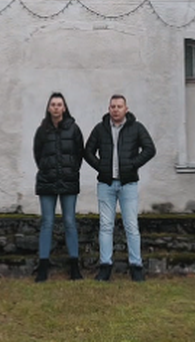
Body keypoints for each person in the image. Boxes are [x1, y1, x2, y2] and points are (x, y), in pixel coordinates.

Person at [83, 94, 156, 282]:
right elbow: (87, 151)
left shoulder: (136, 128)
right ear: (109, 109)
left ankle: (136, 266)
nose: (115, 109)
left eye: (119, 106)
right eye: (113, 106)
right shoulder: (100, 129)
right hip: (106, 184)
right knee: (106, 226)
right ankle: (105, 266)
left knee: (131, 226)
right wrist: (101, 167)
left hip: (128, 184)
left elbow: (149, 149)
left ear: (126, 109)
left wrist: (133, 164)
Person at [32, 91, 85, 282]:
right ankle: (43, 267)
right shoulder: (42, 130)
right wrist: (48, 170)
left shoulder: (74, 129)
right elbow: (38, 155)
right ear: (49, 107)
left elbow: (79, 153)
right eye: (53, 104)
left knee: (70, 222)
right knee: (47, 223)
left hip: (69, 182)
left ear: (64, 107)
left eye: (59, 104)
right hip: (47, 181)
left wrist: (69, 171)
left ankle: (74, 267)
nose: (56, 107)